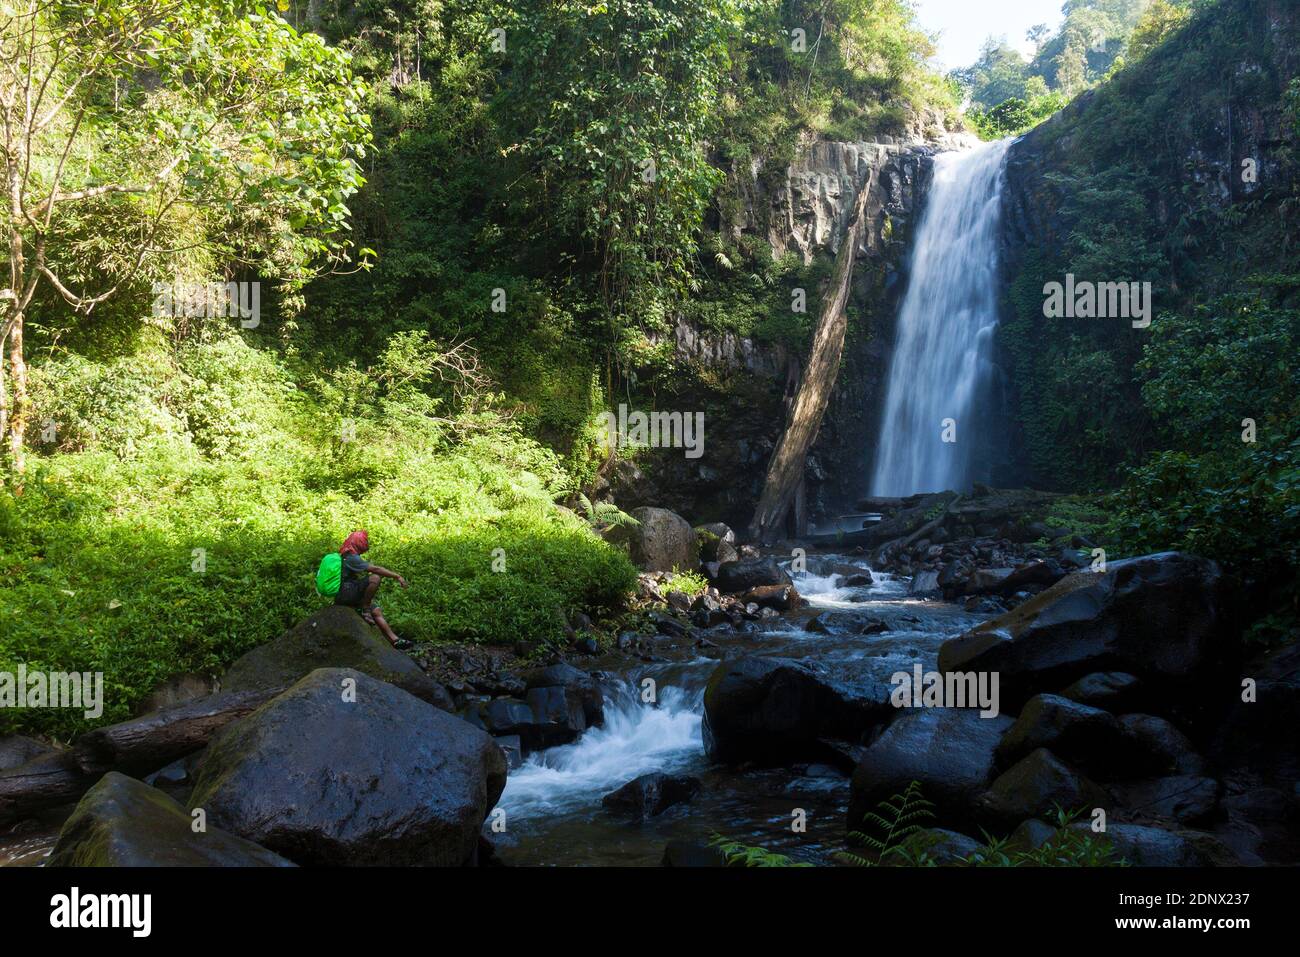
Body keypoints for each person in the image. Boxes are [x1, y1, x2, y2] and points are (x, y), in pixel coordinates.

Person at [334, 529, 408, 646]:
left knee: (376, 611)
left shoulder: (346, 555)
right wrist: (397, 576)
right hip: (346, 592)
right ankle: (365, 607)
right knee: (375, 578)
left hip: (346, 593)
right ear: (357, 543)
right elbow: (375, 569)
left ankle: (395, 640)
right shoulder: (350, 557)